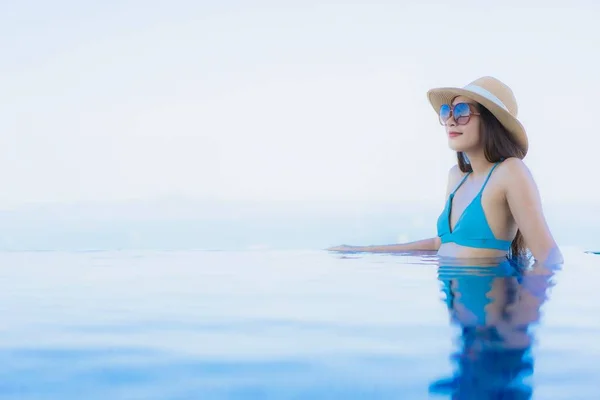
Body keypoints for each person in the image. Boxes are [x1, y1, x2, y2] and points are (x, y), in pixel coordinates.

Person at [327, 76, 562, 265]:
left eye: (461, 112)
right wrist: (362, 251)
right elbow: (441, 244)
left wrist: (520, 322)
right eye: (447, 112)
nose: (450, 120)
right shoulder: (456, 177)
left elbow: (549, 257)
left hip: (493, 320)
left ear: (491, 122)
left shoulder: (510, 172)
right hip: (457, 320)